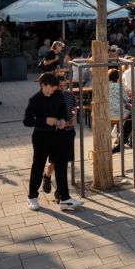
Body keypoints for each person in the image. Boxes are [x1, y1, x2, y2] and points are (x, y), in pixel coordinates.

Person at [24, 73, 83, 211]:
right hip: (41, 137)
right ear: (43, 85)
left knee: (61, 166)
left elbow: (63, 110)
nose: (54, 90)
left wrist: (62, 119)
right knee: (38, 166)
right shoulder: (34, 100)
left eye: (55, 87)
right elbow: (27, 121)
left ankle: (65, 199)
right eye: (52, 87)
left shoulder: (58, 95)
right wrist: (44, 121)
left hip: (58, 136)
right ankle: (32, 197)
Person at [41, 73, 76, 201]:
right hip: (56, 134)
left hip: (69, 132)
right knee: (55, 162)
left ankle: (59, 192)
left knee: (64, 163)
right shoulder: (50, 98)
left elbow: (74, 108)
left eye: (64, 86)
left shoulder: (69, 95)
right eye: (59, 86)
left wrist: (74, 117)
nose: (62, 89)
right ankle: (47, 176)